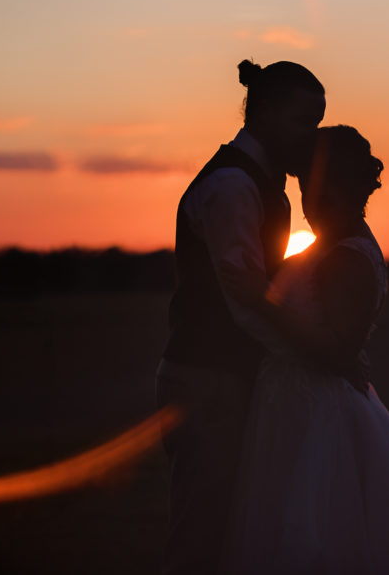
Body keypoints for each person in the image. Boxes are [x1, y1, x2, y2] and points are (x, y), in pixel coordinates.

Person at [219, 126, 389, 574]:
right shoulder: (332, 245)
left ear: (333, 188)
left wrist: (260, 302)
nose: (305, 199)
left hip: (318, 417)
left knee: (316, 538)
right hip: (293, 406)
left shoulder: (345, 256)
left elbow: (336, 353)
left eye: (309, 186)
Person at [156, 59, 327, 575]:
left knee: (233, 533)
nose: (311, 139)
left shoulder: (261, 184)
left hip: (228, 379)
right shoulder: (233, 186)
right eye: (304, 122)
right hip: (209, 382)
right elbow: (244, 304)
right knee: (203, 536)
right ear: (266, 112)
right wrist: (314, 352)